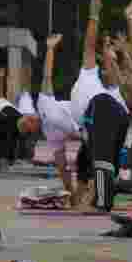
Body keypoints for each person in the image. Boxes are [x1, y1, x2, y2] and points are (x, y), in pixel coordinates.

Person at [69, 0, 132, 213]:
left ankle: (102, 202)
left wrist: (94, 16)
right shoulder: (92, 76)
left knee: (102, 159)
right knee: (89, 158)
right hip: (106, 123)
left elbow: (89, 46)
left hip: (102, 112)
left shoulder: (104, 87)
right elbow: (90, 49)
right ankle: (94, 196)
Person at [17, 34, 83, 199]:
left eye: (28, 117)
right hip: (86, 131)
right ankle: (78, 195)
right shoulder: (50, 136)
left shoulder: (42, 104)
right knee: (81, 164)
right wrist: (70, 191)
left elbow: (47, 75)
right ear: (31, 130)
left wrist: (50, 49)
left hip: (88, 111)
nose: (30, 118)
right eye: (28, 123)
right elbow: (61, 165)